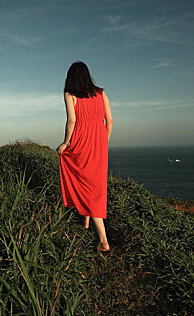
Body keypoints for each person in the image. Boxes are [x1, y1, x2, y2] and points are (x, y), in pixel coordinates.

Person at [57, 61, 113, 253]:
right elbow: (110, 120)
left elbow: (72, 120)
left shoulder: (70, 95)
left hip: (82, 142)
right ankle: (86, 220)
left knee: (84, 181)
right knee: (95, 183)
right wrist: (105, 140)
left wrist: (65, 143)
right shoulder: (101, 93)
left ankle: (104, 241)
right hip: (100, 143)